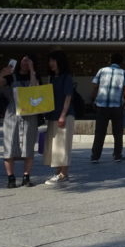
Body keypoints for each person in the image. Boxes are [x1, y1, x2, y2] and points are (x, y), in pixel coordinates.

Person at [0, 55, 39, 188]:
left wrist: (32, 71)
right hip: (13, 113)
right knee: (9, 145)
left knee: (28, 147)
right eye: (23, 60)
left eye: (28, 61)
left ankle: (26, 176)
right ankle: (11, 178)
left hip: (30, 114)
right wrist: (3, 72)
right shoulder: (12, 77)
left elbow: (35, 88)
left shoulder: (35, 76)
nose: (25, 63)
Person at [43, 50, 76, 185]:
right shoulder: (52, 77)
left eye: (53, 60)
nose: (50, 63)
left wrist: (63, 115)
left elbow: (68, 97)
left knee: (63, 144)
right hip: (53, 114)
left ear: (59, 61)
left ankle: (64, 174)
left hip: (64, 115)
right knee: (54, 145)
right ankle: (58, 172)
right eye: (50, 60)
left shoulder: (67, 77)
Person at [90, 53, 125, 163]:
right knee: (118, 132)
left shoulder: (102, 71)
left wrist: (92, 98)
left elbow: (95, 86)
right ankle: (117, 155)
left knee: (99, 132)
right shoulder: (124, 73)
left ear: (110, 61)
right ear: (121, 63)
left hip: (102, 106)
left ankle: (95, 156)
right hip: (117, 106)